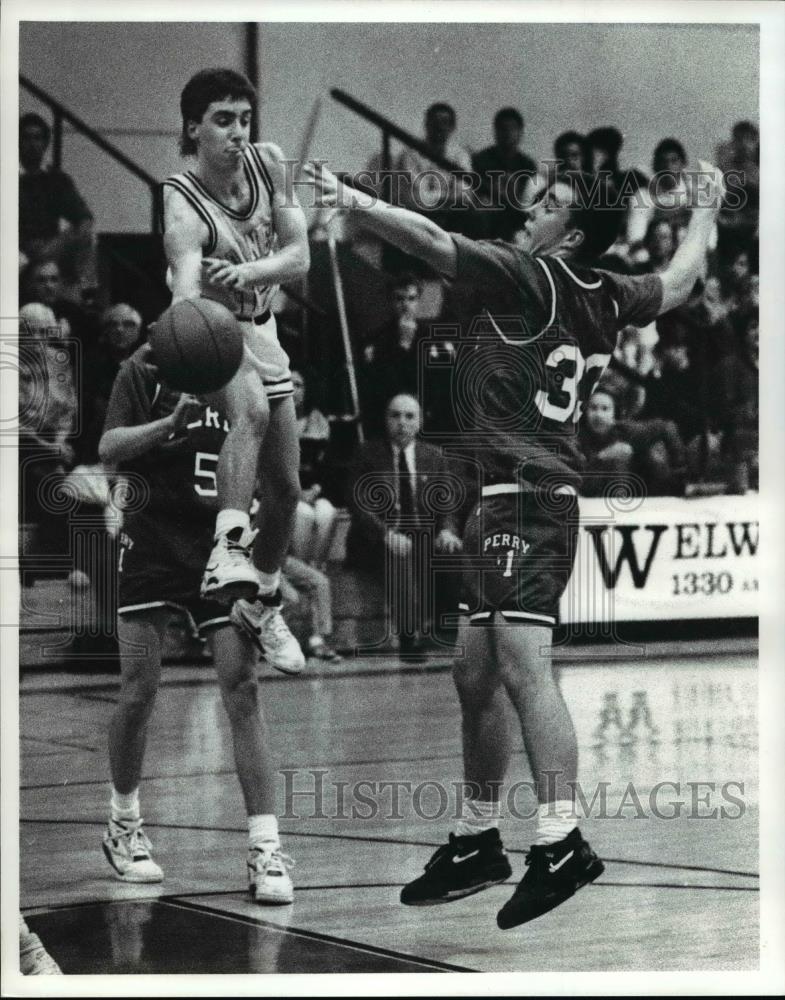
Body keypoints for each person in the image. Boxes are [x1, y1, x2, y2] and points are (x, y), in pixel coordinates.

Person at [304, 154, 724, 926]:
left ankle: (562, 840)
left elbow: (432, 238)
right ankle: (474, 837)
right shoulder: (605, 291)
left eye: (548, 203)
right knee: (473, 668)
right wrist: (705, 210)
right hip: (501, 498)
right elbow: (679, 283)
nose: (529, 209)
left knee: (523, 666)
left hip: (530, 499)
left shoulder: (529, 275)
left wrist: (353, 202)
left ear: (567, 235)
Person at [97, 342, 295, 903]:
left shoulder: (247, 368)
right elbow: (109, 446)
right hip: (153, 537)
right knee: (139, 690)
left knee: (244, 688)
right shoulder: (145, 363)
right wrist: (168, 423)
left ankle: (265, 847)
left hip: (219, 541)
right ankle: (123, 824)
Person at [163, 68, 309, 673]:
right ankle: (227, 547)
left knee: (288, 492)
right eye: (224, 120)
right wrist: (189, 333)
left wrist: (250, 273)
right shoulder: (181, 198)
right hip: (214, 330)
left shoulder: (270, 164)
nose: (238, 132)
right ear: (194, 127)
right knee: (247, 410)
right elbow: (187, 288)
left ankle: (263, 602)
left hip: (263, 326)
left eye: (244, 119)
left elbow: (298, 258)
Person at [346, 393, 462, 661]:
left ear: (419, 422)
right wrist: (385, 534)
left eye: (409, 416)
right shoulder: (367, 454)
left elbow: (447, 504)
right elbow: (357, 503)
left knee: (453, 550)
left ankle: (450, 629)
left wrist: (446, 529)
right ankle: (410, 637)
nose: (402, 422)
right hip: (376, 540)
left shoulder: (433, 456)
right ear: (386, 420)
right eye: (395, 415)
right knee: (399, 554)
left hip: (423, 536)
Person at [19, 112, 95, 292]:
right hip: (16, 247)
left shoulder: (56, 179)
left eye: (37, 138)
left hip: (49, 246)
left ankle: (86, 294)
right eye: (26, 138)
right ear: (18, 141)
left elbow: (84, 218)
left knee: (88, 236)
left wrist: (54, 244)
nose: (32, 144)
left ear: (46, 143)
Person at [472, 107, 537, 239]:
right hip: (488, 213)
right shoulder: (481, 160)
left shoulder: (527, 164)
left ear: (520, 132)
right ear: (495, 132)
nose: (507, 133)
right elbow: (475, 195)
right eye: (503, 128)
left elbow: (528, 198)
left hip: (516, 215)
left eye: (512, 128)